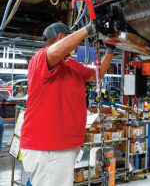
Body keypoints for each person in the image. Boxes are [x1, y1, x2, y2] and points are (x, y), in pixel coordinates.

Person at [19, 22, 115, 186]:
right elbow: (54, 52)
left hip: (61, 146)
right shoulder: (40, 59)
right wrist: (88, 29)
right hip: (48, 147)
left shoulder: (70, 64)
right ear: (62, 38)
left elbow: (96, 75)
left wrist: (110, 51)